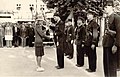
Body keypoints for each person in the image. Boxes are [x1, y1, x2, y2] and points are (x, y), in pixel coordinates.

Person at [102, 1, 118, 77]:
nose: (105, 8)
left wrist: (116, 45)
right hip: (106, 43)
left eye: (107, 7)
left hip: (112, 44)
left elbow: (119, 32)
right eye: (104, 7)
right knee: (106, 64)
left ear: (111, 7)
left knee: (112, 65)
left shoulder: (116, 17)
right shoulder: (107, 18)